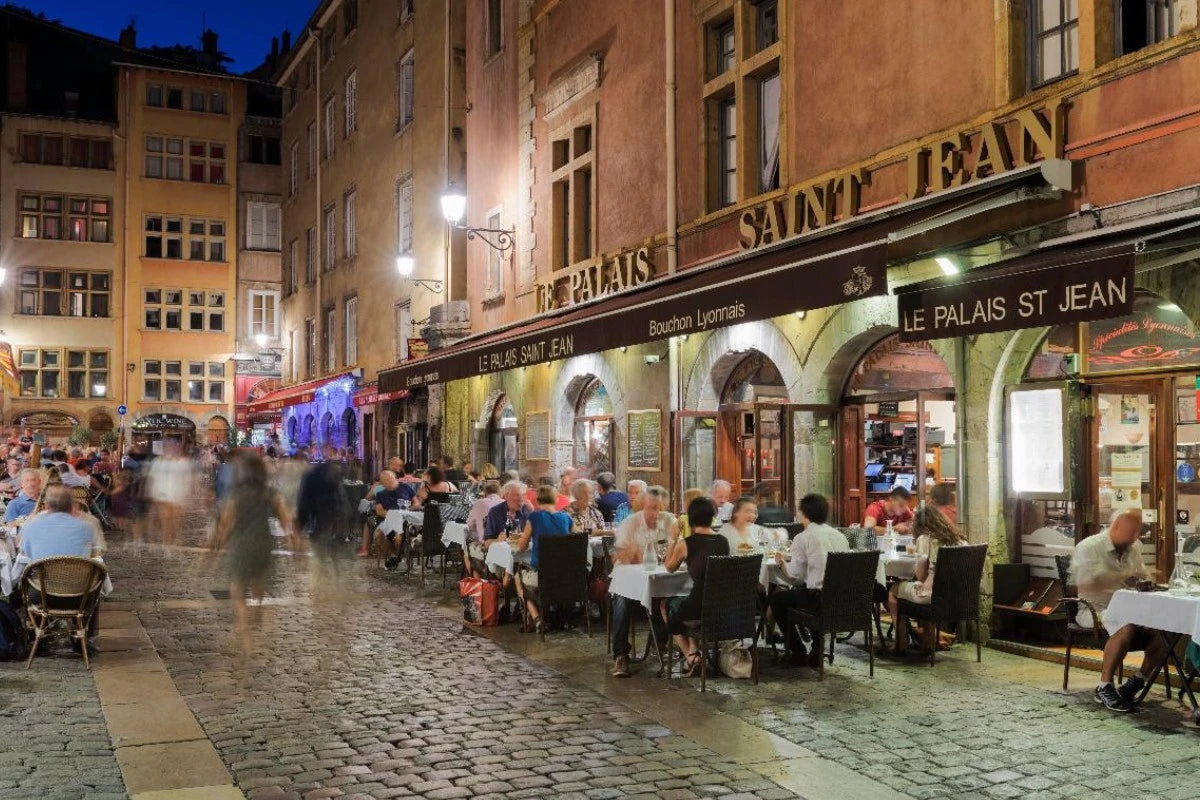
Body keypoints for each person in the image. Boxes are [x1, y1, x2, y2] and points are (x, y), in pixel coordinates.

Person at [1070, 510, 1167, 711]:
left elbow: (1142, 575)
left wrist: (1148, 580)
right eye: (1131, 532)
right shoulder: (1089, 547)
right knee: (1126, 627)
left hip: (1129, 609)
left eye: (1137, 532)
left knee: (1165, 629)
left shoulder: (1134, 547)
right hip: (1094, 609)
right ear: (1116, 527)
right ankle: (1104, 686)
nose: (1134, 537)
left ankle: (1137, 681)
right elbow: (1085, 584)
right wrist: (1122, 576)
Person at [210, 452, 296, 650]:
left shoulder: (237, 494)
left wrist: (219, 544)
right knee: (259, 581)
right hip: (265, 544)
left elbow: (226, 523)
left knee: (238, 589)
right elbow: (286, 520)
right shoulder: (271, 493)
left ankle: (244, 634)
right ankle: (260, 610)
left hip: (242, 544)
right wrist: (292, 541)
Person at [767, 493, 850, 667]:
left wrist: (780, 561)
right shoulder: (840, 536)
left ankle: (797, 651)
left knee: (778, 600)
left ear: (803, 514)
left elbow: (793, 576)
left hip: (818, 600)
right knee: (808, 589)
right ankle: (817, 651)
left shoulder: (803, 537)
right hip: (844, 598)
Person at [609, 486, 675, 679]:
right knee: (621, 600)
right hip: (627, 579)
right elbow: (619, 558)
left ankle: (660, 643)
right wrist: (633, 551)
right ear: (642, 507)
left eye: (660, 509)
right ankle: (621, 655)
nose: (656, 513)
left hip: (658, 577)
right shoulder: (629, 523)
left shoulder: (669, 521)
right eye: (652, 508)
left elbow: (675, 551)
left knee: (671, 595)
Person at [661, 496, 730, 676]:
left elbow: (669, 568)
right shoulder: (723, 542)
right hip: (721, 607)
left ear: (690, 519)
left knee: (665, 604)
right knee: (689, 598)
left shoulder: (686, 543)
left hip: (697, 609)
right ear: (712, 517)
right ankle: (694, 651)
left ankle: (691, 657)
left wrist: (672, 539)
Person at [886, 505, 965, 656]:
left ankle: (900, 642)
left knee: (894, 591)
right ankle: (928, 639)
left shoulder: (925, 539)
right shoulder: (960, 540)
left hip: (933, 597)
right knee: (926, 587)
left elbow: (921, 576)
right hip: (960, 597)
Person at [512, 484, 574, 632]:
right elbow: (578, 535)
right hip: (565, 577)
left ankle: (536, 618)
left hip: (541, 576)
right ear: (555, 499)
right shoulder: (566, 517)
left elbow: (521, 547)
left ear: (538, 500)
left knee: (518, 577)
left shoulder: (534, 517)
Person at [18, 484, 100, 560]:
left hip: (43, 571)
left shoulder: (30, 526)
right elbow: (95, 553)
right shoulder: (87, 526)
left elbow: (25, 553)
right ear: (71, 504)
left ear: (47, 505)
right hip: (80, 570)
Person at [147, 441, 192, 546]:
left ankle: (174, 536)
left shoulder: (182, 463)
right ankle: (166, 538)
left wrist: (186, 493)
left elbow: (187, 479)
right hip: (162, 495)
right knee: (165, 518)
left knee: (176, 519)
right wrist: (153, 493)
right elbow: (152, 478)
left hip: (177, 496)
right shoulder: (157, 462)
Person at [721, 497, 786, 555]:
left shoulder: (756, 529)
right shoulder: (723, 532)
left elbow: (782, 534)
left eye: (754, 512)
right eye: (748, 511)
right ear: (736, 512)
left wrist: (776, 535)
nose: (752, 515)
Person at [465, 481, 503, 576]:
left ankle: (476, 581)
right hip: (502, 544)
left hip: (485, 546)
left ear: (485, 493)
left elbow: (470, 525)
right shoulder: (504, 503)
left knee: (465, 549)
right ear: (500, 492)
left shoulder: (479, 503)